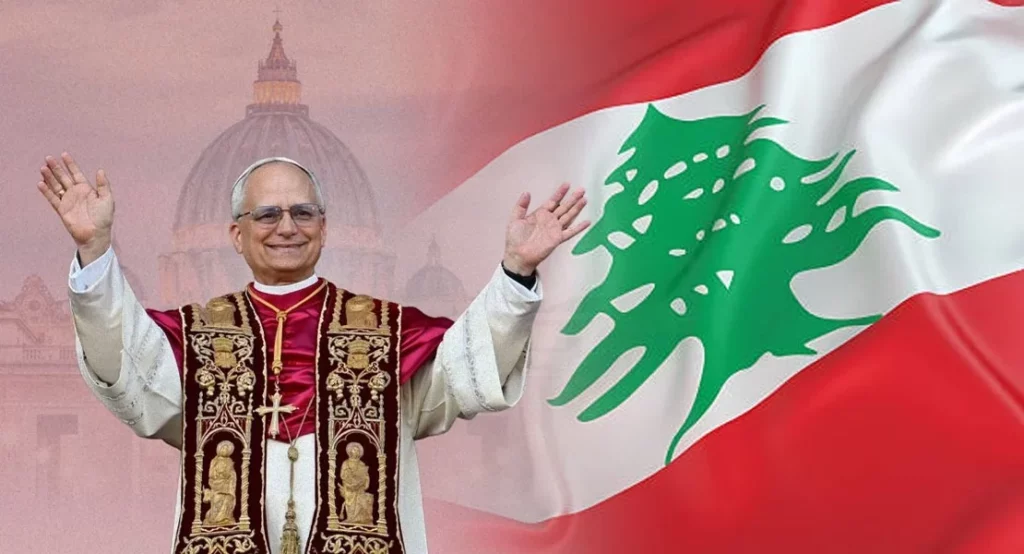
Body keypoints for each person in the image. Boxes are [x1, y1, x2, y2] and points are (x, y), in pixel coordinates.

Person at [36, 152, 588, 554]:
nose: (286, 227)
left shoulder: (389, 335)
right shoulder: (195, 337)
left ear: (323, 229)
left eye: (302, 213)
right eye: (267, 214)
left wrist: (516, 272)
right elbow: (124, 368)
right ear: (236, 234)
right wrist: (95, 251)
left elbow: (470, 367)